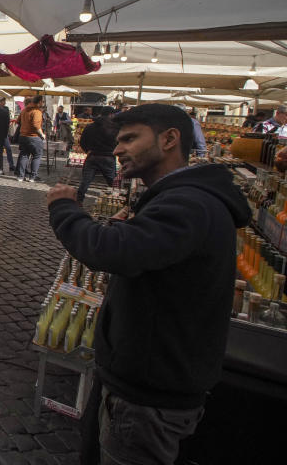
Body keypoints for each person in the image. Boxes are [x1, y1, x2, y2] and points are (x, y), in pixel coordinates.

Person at [46, 104, 250, 465]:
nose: (118, 149)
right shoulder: (183, 198)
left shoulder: (189, 203)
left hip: (148, 396)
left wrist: (66, 209)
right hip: (145, 381)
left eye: (129, 138)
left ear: (169, 139)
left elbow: (110, 252)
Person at [76, 106, 118, 203]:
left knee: (86, 181)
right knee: (112, 181)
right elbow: (118, 142)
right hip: (108, 156)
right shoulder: (114, 128)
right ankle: (117, 200)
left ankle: (79, 200)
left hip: (93, 156)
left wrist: (87, 150)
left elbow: (82, 141)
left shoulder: (90, 126)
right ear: (111, 115)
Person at [16, 95, 46, 182]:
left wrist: (25, 126)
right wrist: (42, 135)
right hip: (33, 137)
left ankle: (20, 176)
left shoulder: (24, 110)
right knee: (37, 156)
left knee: (24, 155)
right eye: (42, 102)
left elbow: (18, 121)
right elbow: (36, 125)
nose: (43, 103)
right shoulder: (37, 111)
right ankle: (33, 177)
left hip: (23, 136)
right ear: (39, 102)